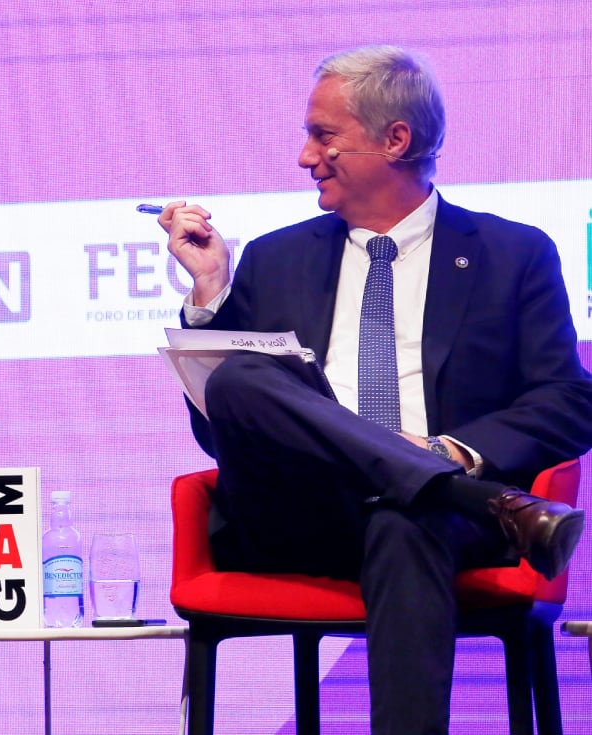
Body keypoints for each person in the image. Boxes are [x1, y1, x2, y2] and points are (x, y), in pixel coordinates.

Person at [158, 45, 592, 734]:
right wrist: (210, 294)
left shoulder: (512, 254)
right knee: (242, 373)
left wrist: (455, 449)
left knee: (405, 514)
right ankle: (446, 486)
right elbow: (224, 425)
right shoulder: (275, 258)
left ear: (397, 139)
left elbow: (568, 400)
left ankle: (431, 483)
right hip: (299, 513)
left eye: (324, 135)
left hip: (432, 526)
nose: (306, 157)